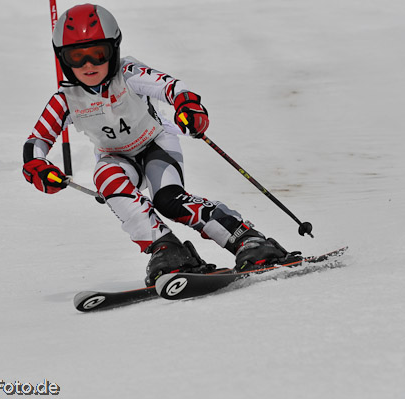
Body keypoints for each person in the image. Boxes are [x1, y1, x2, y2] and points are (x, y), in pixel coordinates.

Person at [23, 3, 297, 286]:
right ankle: (167, 249)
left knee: (168, 200)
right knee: (106, 177)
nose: (88, 65)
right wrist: (37, 166)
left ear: (113, 50)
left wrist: (188, 106)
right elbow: (37, 140)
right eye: (76, 57)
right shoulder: (66, 98)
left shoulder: (128, 73)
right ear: (63, 59)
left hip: (155, 143)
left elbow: (172, 88)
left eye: (97, 53)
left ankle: (246, 239)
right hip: (116, 157)